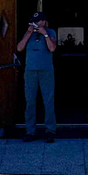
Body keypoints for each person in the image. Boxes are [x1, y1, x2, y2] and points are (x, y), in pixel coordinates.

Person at [15, 11, 57, 142]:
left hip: (46, 71)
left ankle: (50, 130)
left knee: (48, 101)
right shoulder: (28, 33)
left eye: (37, 22)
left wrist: (44, 33)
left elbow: (52, 48)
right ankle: (30, 131)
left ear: (43, 22)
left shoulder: (51, 33)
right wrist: (28, 33)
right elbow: (19, 48)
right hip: (30, 71)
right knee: (30, 101)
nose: (35, 24)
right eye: (33, 22)